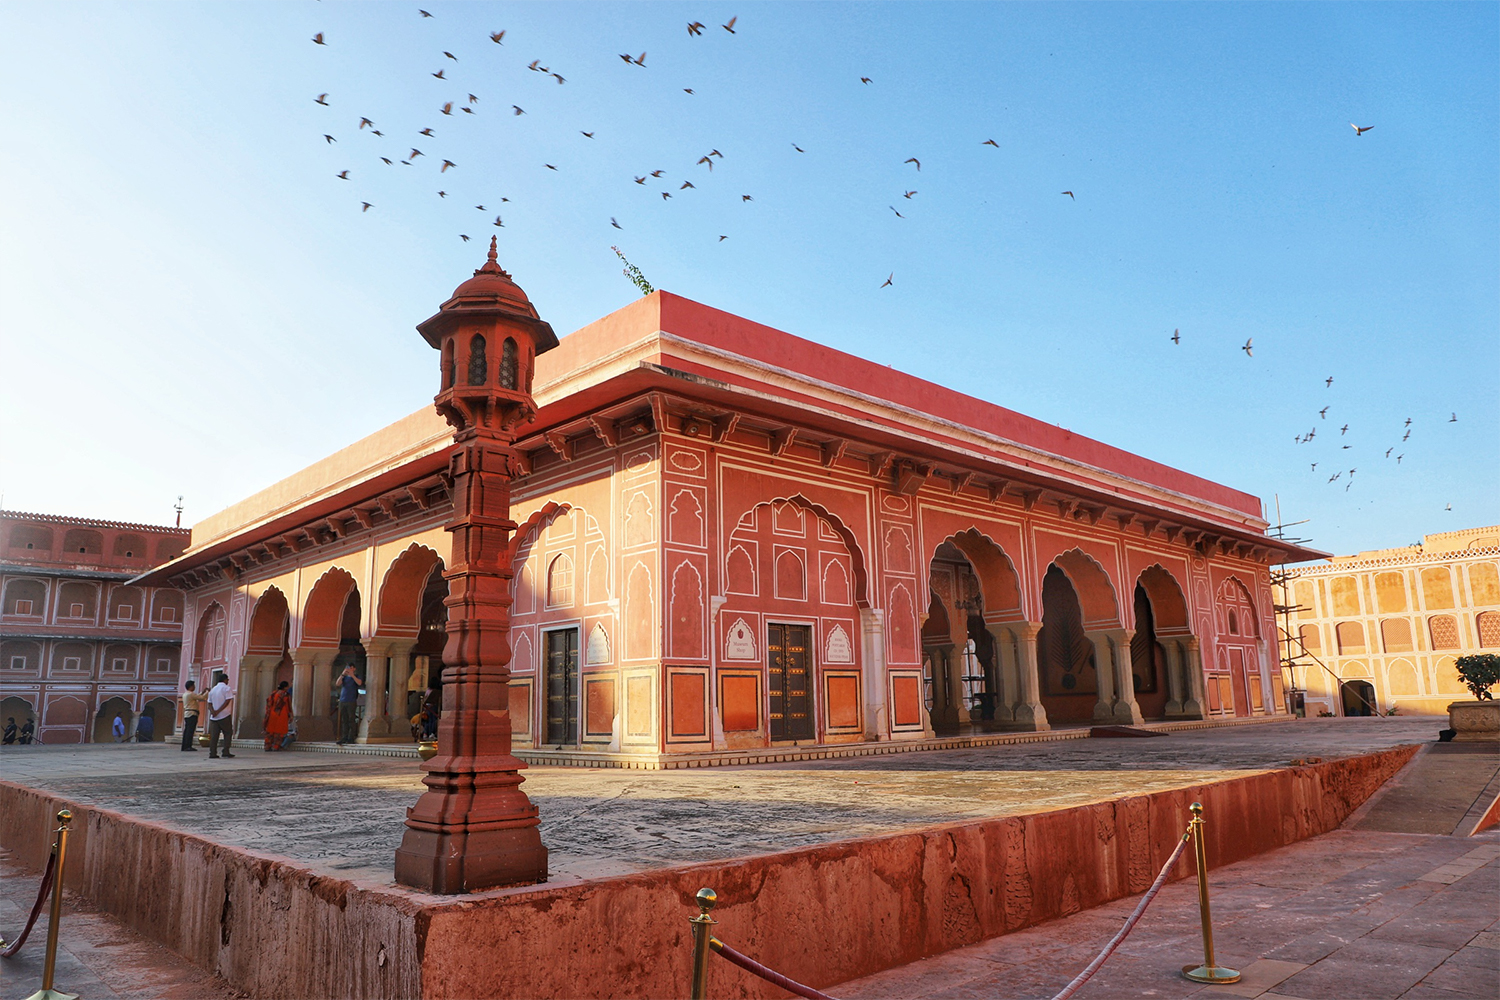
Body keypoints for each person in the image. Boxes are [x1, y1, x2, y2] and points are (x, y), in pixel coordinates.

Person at [206, 671, 236, 758]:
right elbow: (227, 701)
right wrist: (218, 711)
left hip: (214, 717)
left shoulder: (213, 690)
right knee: (227, 733)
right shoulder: (227, 688)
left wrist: (213, 712)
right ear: (225, 680)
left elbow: (209, 703)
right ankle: (225, 751)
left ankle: (212, 753)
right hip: (224, 715)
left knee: (214, 736)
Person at [334, 664, 363, 745]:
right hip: (343, 700)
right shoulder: (344, 677)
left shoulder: (356, 676)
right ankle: (344, 737)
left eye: (350, 668)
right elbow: (337, 683)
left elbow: (359, 683)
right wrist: (343, 674)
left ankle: (351, 737)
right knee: (344, 720)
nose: (348, 669)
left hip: (351, 700)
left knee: (351, 719)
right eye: (347, 668)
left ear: (354, 669)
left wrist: (352, 675)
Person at [263, 680, 292, 752]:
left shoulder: (273, 694)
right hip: (281, 715)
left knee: (270, 731)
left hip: (272, 715)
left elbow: (268, 704)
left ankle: (267, 746)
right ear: (285, 687)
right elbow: (289, 706)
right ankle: (276, 746)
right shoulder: (285, 695)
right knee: (279, 731)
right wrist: (291, 715)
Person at [180, 679, 203, 751]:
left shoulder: (186, 694)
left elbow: (197, 696)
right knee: (190, 731)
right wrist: (207, 692)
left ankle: (185, 746)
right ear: (191, 686)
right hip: (192, 713)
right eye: (193, 686)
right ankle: (188, 746)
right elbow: (201, 697)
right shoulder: (191, 694)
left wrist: (203, 692)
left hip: (187, 714)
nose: (194, 687)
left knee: (187, 730)